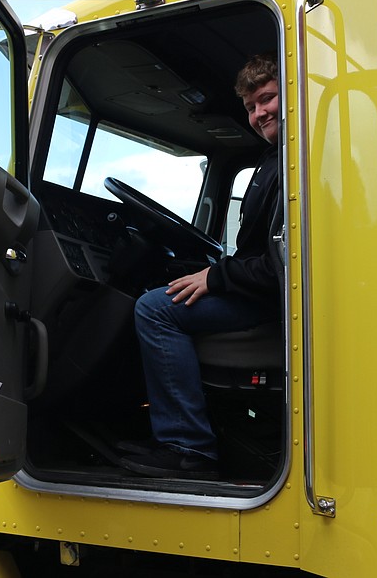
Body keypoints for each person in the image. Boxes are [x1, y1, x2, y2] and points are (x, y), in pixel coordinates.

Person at [121, 54, 282, 480]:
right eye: (250, 107)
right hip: (260, 292)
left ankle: (187, 448)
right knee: (167, 291)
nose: (259, 113)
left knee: (154, 308)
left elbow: (281, 267)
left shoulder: (293, 162)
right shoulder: (271, 160)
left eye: (267, 99)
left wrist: (216, 276)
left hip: (270, 301)